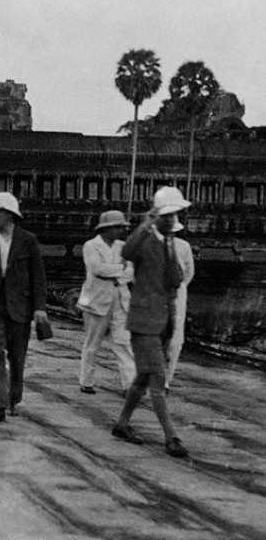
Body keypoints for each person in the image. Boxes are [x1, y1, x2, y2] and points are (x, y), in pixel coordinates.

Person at [111, 186, 191, 458]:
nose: (170, 220)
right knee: (157, 377)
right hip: (144, 321)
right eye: (166, 215)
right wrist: (146, 224)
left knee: (143, 378)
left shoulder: (170, 243)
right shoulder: (145, 240)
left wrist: (171, 249)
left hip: (162, 321)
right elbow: (128, 252)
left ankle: (122, 424)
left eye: (174, 215)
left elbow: (176, 280)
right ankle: (171, 437)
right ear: (157, 216)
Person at [0, 192, 49, 425]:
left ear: (11, 215)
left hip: (20, 306)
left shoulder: (28, 240)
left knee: (17, 357)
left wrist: (40, 307)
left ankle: (14, 397)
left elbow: (38, 277)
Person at [77, 210, 136, 394]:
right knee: (92, 343)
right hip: (96, 300)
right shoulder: (91, 246)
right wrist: (121, 269)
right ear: (106, 228)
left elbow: (132, 271)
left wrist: (118, 274)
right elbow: (97, 269)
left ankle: (130, 384)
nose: (122, 230)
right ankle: (86, 381)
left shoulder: (123, 246)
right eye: (118, 227)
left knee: (123, 342)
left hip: (120, 299)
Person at [165, 225, 195, 392]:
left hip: (177, 292)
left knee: (175, 339)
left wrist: (179, 287)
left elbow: (189, 271)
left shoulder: (183, 246)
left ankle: (166, 378)